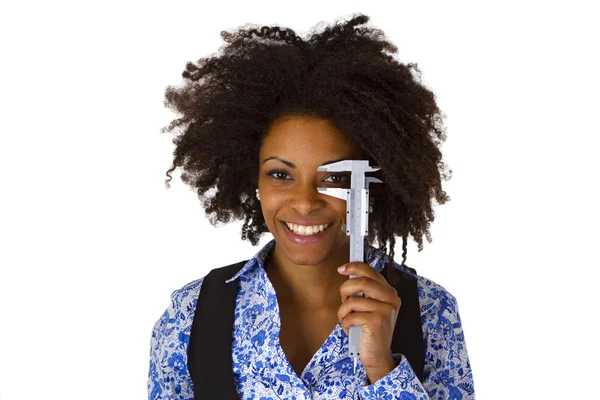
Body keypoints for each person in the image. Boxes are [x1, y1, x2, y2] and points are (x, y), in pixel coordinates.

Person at [148, 13, 475, 399]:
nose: (304, 203)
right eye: (281, 175)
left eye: (334, 177)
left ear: (369, 185)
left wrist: (382, 369)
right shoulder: (191, 316)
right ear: (252, 179)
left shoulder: (430, 314)